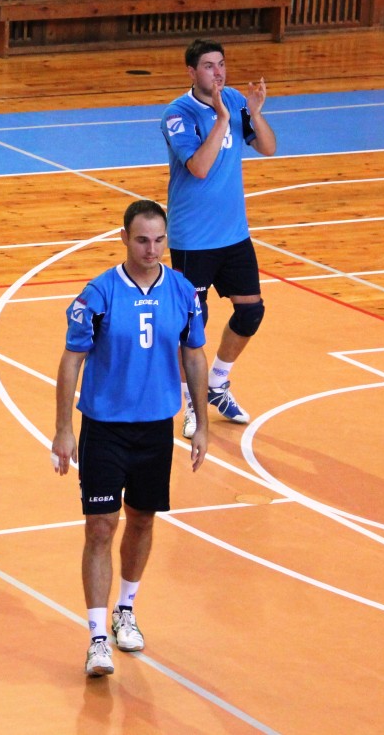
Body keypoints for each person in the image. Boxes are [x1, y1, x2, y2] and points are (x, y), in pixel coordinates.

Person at [51, 200, 210, 678]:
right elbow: (71, 360)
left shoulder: (182, 292)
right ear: (124, 238)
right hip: (105, 428)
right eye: (142, 240)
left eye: (159, 240)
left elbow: (194, 355)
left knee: (142, 520)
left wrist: (201, 423)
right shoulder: (98, 295)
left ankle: (126, 610)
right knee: (101, 526)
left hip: (156, 429)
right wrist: (64, 428)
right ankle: (97, 638)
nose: (151, 249)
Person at [162, 38, 277, 438]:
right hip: (193, 239)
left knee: (251, 312)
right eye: (209, 66)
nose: (218, 72)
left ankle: (217, 383)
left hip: (234, 234)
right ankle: (192, 403)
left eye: (222, 64)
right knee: (194, 324)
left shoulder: (234, 100)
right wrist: (223, 119)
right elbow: (199, 167)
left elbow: (268, 148)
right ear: (192, 72)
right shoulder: (178, 115)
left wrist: (254, 113)